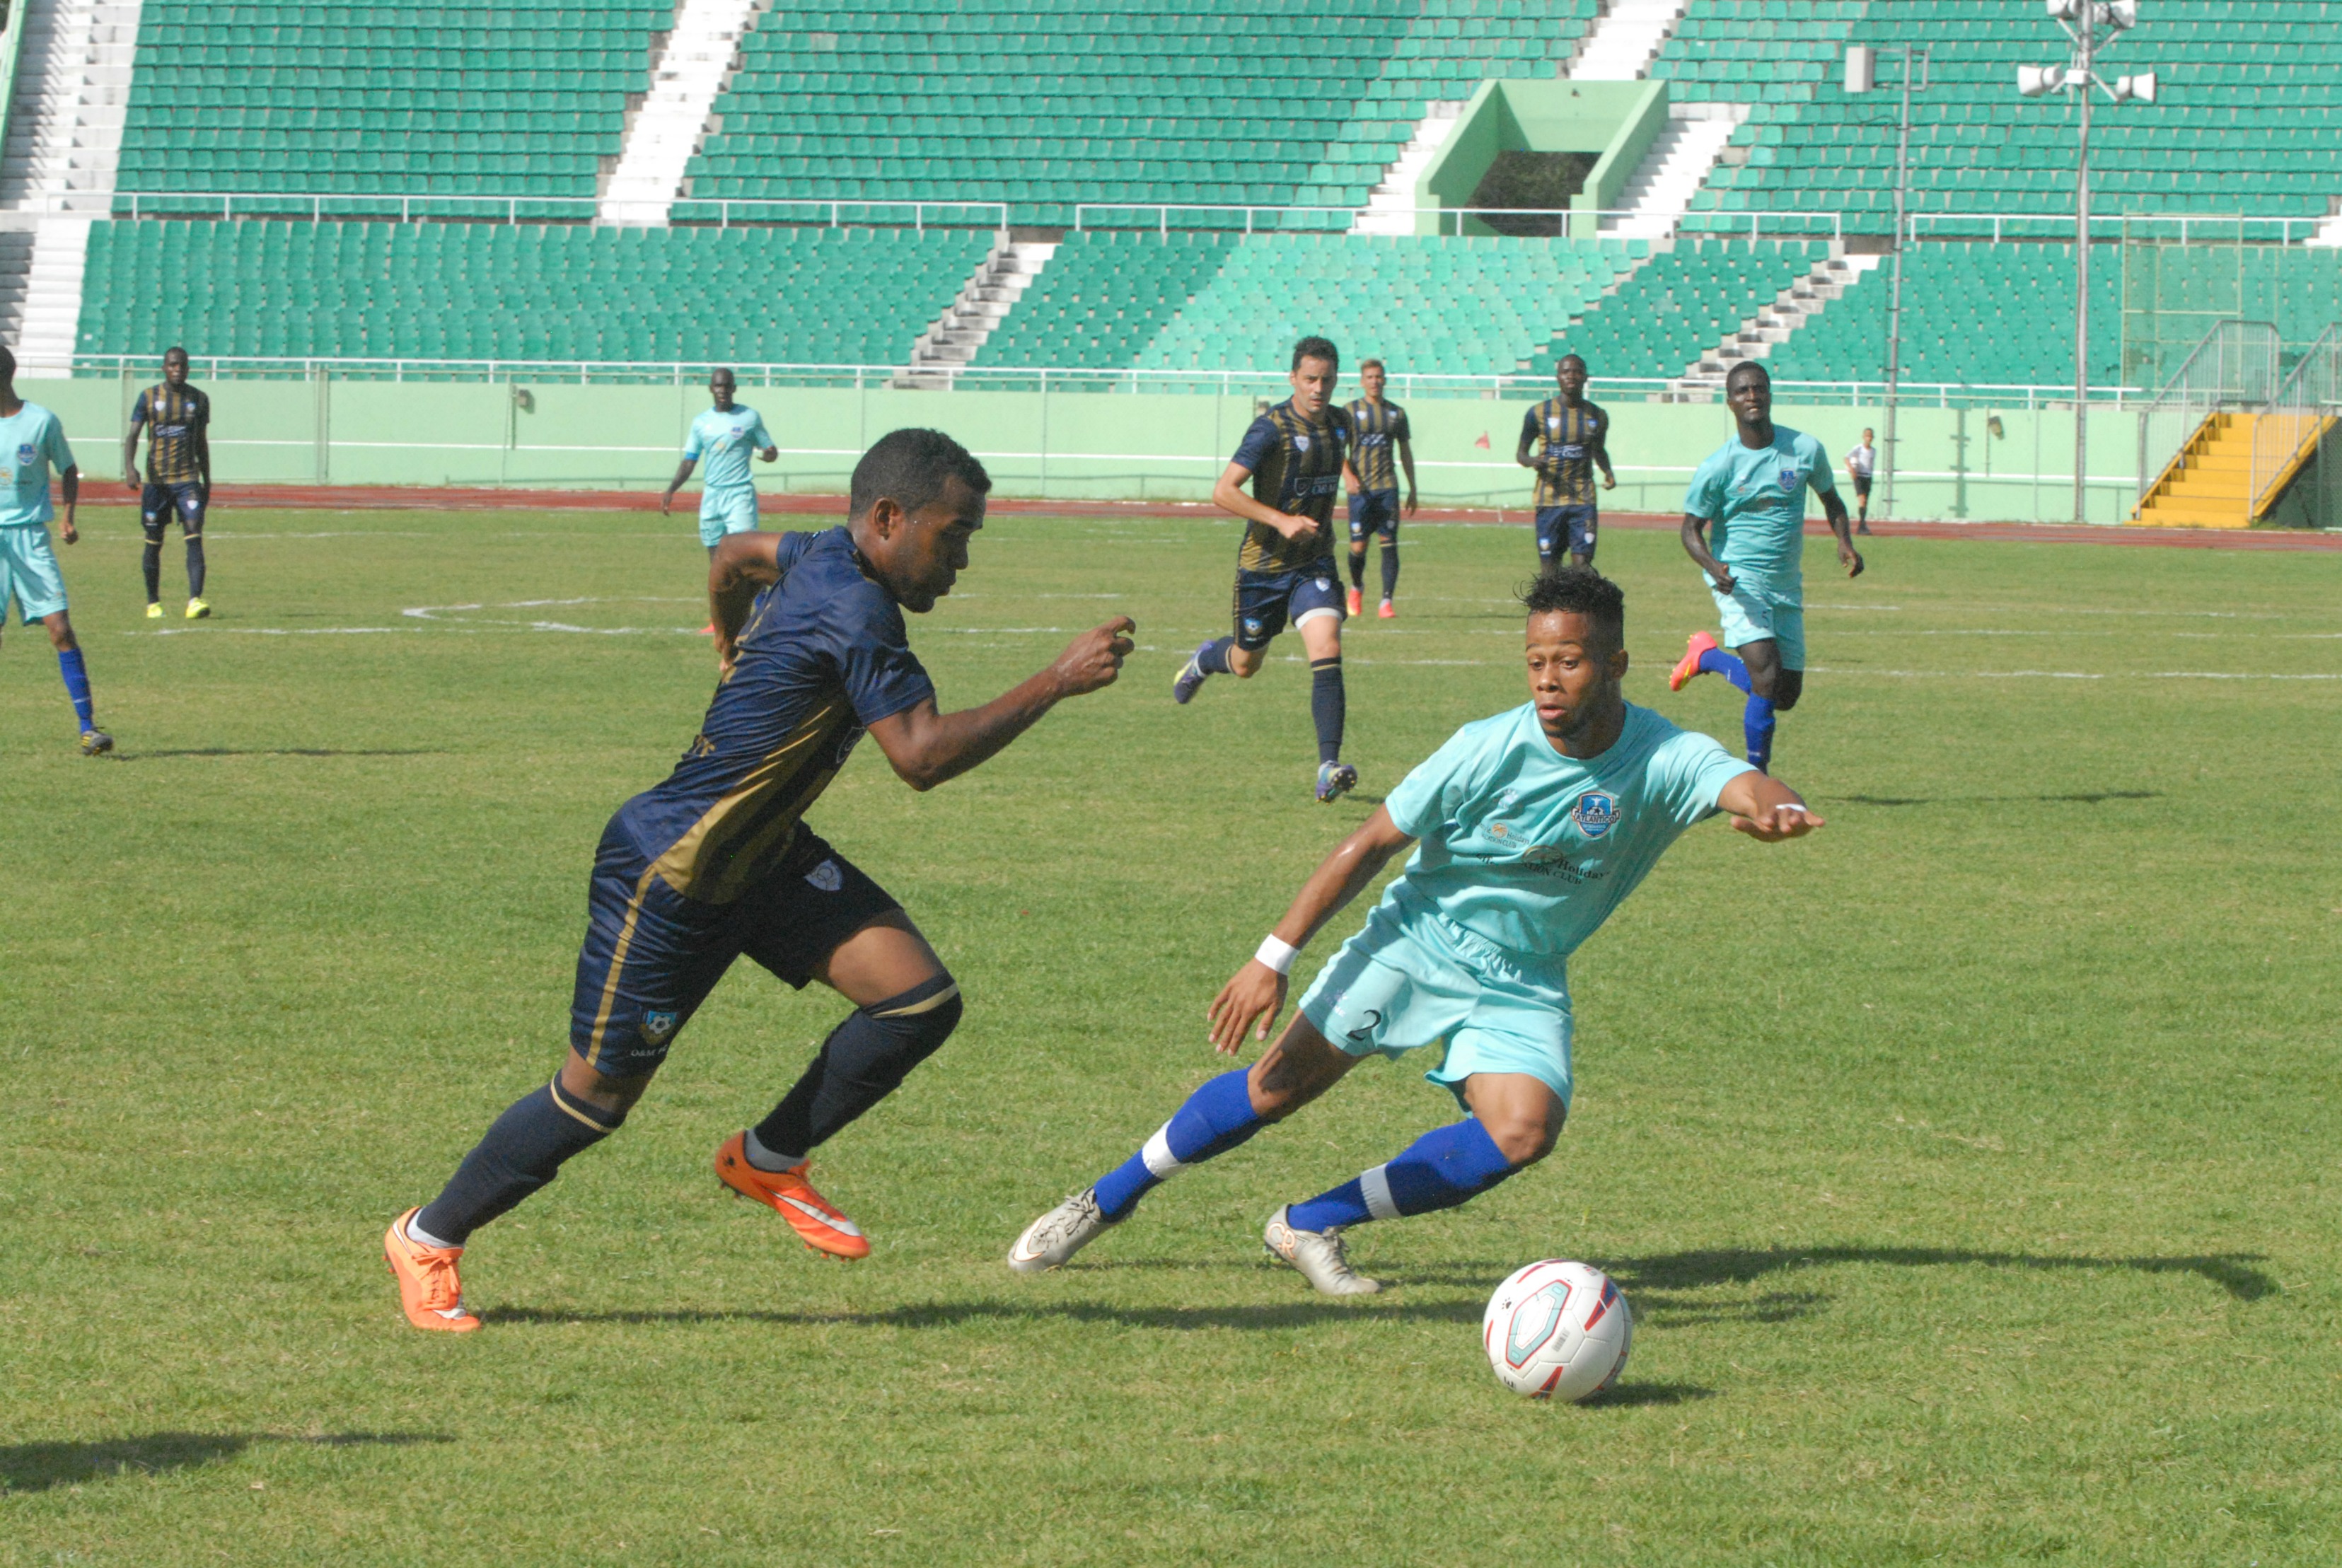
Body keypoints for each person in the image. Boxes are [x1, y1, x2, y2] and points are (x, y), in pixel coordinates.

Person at [384, 429, 1134, 1332]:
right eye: (953, 535)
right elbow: (921, 757)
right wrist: (1055, 679)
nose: (962, 560)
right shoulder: (857, 610)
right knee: (595, 1099)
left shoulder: (817, 550)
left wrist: (729, 641)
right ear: (889, 519)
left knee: (917, 1002)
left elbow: (734, 557)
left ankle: (769, 1158)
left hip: (767, 858)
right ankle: (428, 1236)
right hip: (673, 874)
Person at [1011, 569, 1823, 1294]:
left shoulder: (1660, 755)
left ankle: (1307, 1222)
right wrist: (1272, 957)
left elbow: (1743, 783)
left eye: (1569, 662)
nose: (1548, 681)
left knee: (1521, 1133)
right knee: (1270, 1093)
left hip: (1525, 973)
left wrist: (1775, 811)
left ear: (1613, 666)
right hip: (1418, 940)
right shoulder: (1482, 749)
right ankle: (1101, 1201)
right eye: (1536, 663)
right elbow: (1368, 845)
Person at [1171, 335, 1359, 804]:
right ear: (1293, 378)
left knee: (1327, 645)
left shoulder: (1340, 423)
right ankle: (1207, 658)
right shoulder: (1269, 429)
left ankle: (1327, 766)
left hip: (1313, 561)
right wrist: (1281, 520)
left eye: (1327, 380)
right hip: (1263, 568)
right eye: (1310, 379)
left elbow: (1335, 465)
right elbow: (1223, 491)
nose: (1319, 388)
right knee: (1245, 663)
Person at [1668, 361, 1862, 774]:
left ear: (1770, 394)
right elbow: (1689, 529)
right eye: (1742, 391)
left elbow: (1833, 503)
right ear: (1730, 402)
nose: (1751, 396)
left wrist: (1844, 541)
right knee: (1767, 677)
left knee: (1785, 694)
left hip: (1786, 584)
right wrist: (1713, 567)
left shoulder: (1804, 449)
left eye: (1759, 388)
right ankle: (1757, 779)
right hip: (1740, 581)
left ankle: (1708, 658)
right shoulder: (1718, 466)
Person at [0, 345, 109, 755]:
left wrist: (68, 516)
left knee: (60, 629)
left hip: (29, 538)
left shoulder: (41, 421)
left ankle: (88, 728)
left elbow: (66, 467)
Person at [121, 346, 212, 620]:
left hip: (187, 480)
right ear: (164, 367)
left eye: (182, 365)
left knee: (194, 535)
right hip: (157, 483)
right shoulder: (149, 397)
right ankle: (153, 602)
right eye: (173, 365)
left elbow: (201, 442)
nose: (177, 369)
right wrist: (130, 468)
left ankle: (195, 600)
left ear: (188, 368)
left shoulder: (199, 399)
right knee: (153, 542)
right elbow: (133, 436)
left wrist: (208, 480)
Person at [1516, 354, 1613, 573]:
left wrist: (1608, 471)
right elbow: (1521, 454)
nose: (1571, 376)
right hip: (1549, 499)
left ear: (1585, 377)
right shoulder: (1538, 413)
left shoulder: (1598, 415)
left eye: (1577, 372)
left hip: (1583, 498)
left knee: (1583, 567)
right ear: (1558, 377)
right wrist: (1532, 461)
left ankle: (1581, 608)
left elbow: (1598, 449)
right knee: (1550, 569)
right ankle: (1550, 608)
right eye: (1566, 372)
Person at [663, 366, 778, 552]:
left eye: (727, 386)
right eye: (718, 386)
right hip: (712, 495)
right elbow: (690, 460)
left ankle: (758, 584)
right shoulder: (701, 422)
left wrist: (770, 454)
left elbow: (770, 448)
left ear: (734, 388)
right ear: (711, 388)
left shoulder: (749, 417)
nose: (722, 390)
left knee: (744, 552)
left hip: (739, 494)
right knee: (715, 552)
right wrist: (671, 490)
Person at [1341, 357, 1415, 620]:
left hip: (1387, 488)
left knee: (1389, 543)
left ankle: (1386, 602)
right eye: (1370, 377)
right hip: (1361, 491)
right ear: (1362, 382)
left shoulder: (1396, 414)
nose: (1375, 381)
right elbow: (1339, 449)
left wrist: (1413, 488)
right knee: (1358, 547)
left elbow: (1405, 451)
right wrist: (1348, 477)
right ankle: (1357, 586)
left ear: (1384, 380)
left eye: (1379, 377)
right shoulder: (1349, 412)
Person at [1843, 428, 1877, 534]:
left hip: (1868, 477)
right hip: (1859, 477)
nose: (1869, 438)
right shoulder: (1858, 449)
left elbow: (1870, 465)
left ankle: (1862, 525)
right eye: (1867, 435)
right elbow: (1846, 458)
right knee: (1861, 500)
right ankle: (1861, 526)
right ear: (1863, 437)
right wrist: (1852, 470)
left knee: (1865, 502)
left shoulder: (1873, 451)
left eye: (1870, 436)